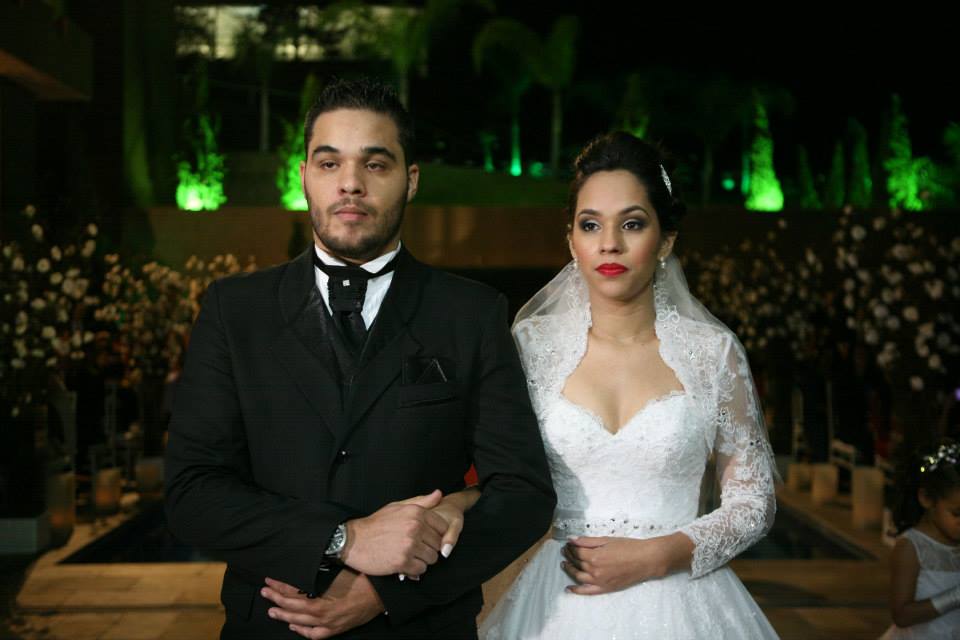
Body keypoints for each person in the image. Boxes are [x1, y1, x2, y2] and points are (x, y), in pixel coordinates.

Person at [164, 77, 555, 639]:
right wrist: (342, 539)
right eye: (330, 164)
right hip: (271, 627)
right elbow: (191, 492)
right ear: (304, 175)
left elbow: (522, 495)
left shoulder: (470, 313)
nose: (351, 183)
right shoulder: (235, 310)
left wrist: (387, 593)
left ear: (410, 180)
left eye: (375, 164)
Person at [475, 132, 779, 638]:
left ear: (666, 240)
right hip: (555, 602)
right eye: (590, 224)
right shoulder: (530, 346)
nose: (609, 243)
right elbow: (497, 477)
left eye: (632, 224)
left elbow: (754, 503)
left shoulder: (712, 354)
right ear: (571, 240)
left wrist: (658, 555)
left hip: (681, 601)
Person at [882, 441, 960, 639]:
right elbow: (901, 615)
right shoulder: (912, 547)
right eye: (956, 513)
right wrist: (955, 596)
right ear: (926, 499)